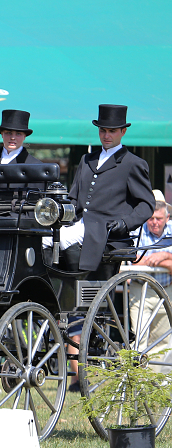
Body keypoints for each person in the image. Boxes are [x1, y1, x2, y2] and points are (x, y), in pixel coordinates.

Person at [49, 105, 154, 279]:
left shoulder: (133, 163)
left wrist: (125, 223)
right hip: (78, 224)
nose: (106, 136)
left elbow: (146, 204)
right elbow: (73, 198)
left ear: (123, 132)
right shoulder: (87, 159)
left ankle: (75, 284)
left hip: (105, 229)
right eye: (103, 130)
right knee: (45, 238)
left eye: (112, 131)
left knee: (65, 238)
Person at [127, 190, 172, 353]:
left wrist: (164, 255)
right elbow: (133, 258)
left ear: (167, 218)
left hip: (167, 289)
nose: (154, 222)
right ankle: (137, 378)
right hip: (141, 290)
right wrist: (167, 261)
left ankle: (156, 378)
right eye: (150, 218)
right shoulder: (137, 230)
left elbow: (141, 260)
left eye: (159, 219)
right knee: (139, 338)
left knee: (163, 340)